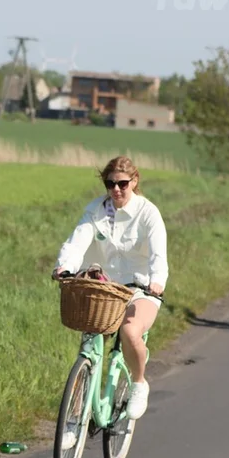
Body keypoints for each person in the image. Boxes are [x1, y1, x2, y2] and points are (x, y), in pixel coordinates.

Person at [51, 156, 168, 420]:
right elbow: (76, 242)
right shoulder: (96, 211)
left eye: (123, 184)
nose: (116, 189)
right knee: (90, 342)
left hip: (141, 288)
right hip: (105, 288)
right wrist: (64, 267)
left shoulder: (148, 213)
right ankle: (75, 417)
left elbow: (158, 255)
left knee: (129, 331)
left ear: (134, 182)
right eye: (110, 183)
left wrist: (157, 282)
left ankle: (139, 383)